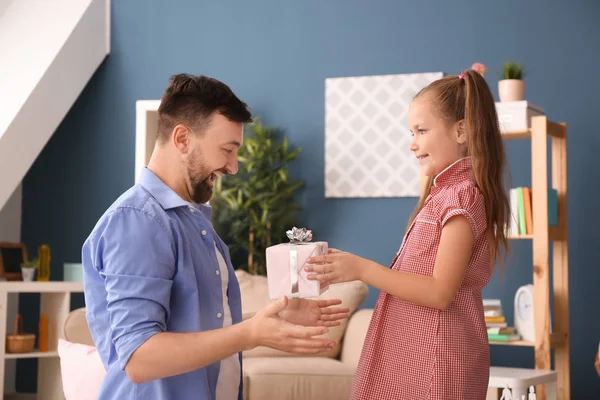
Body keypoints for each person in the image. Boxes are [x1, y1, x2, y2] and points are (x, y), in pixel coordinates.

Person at [82, 73, 349, 400]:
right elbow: (139, 357)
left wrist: (267, 320)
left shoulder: (190, 220)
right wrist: (249, 333)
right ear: (182, 139)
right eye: (227, 149)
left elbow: (192, 327)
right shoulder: (138, 221)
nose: (233, 167)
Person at [305, 68, 510, 399]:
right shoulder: (442, 194)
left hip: (438, 360)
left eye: (421, 130)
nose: (412, 143)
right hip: (421, 354)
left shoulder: (462, 196)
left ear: (461, 131)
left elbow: (439, 292)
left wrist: (361, 268)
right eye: (410, 132)